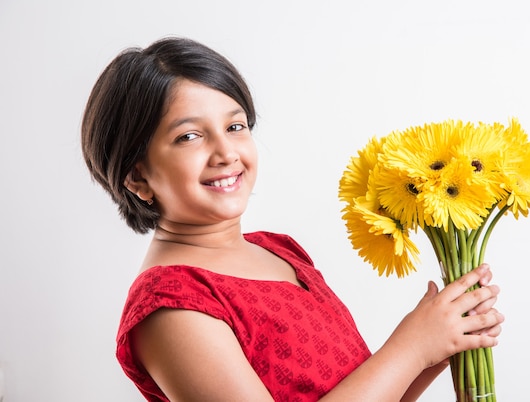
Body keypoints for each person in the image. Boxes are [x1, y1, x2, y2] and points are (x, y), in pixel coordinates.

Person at [81, 36, 504, 402]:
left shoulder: (278, 250)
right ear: (137, 176)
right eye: (189, 136)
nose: (226, 153)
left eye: (235, 126)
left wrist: (439, 344)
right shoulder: (170, 306)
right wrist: (412, 346)